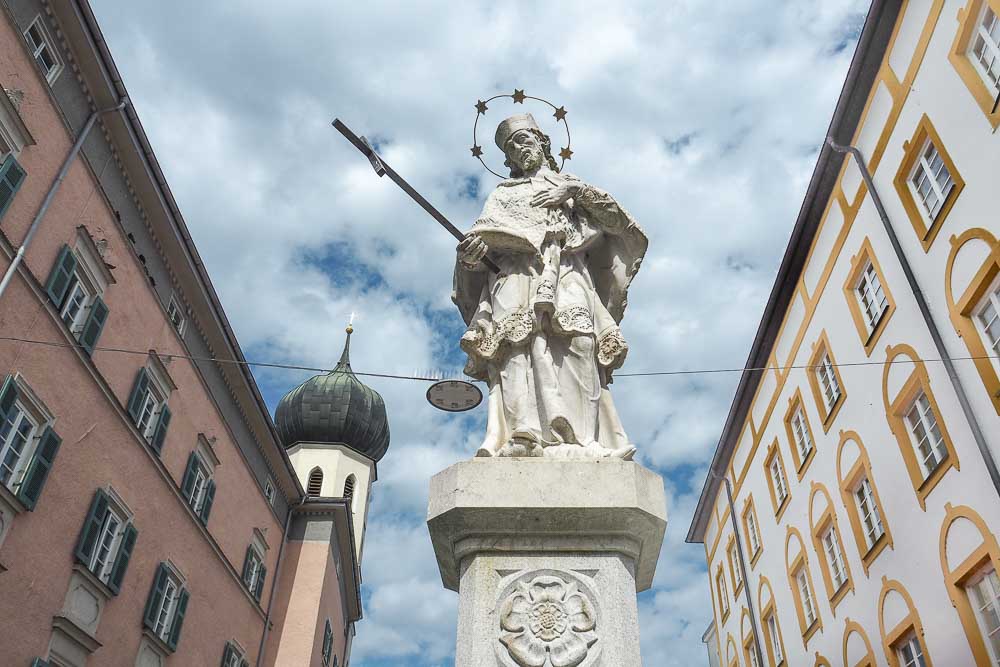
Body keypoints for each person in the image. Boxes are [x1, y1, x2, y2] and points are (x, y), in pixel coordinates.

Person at [453, 113, 647, 459]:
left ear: (542, 143)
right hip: (514, 275)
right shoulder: (502, 195)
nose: (519, 149)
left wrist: (577, 191)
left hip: (569, 272)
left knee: (581, 342)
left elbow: (618, 223)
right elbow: (478, 244)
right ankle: (522, 435)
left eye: (524, 140)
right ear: (508, 159)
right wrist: (471, 255)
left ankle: (586, 442)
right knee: (516, 345)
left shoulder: (572, 188)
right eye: (512, 147)